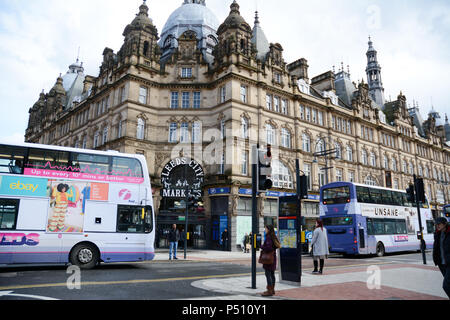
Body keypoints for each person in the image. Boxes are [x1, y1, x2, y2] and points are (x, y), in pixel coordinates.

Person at [260, 225, 281, 296]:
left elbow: (268, 247)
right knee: (272, 274)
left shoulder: (268, 237)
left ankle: (269, 290)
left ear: (268, 229)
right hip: (273, 257)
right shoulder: (273, 236)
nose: (265, 229)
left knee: (268, 274)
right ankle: (272, 290)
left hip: (268, 258)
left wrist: (261, 246)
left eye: (265, 228)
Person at [433, 217, 450, 299]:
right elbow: (437, 248)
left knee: (446, 285)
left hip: (449, 263)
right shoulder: (437, 234)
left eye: (439, 224)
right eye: (436, 224)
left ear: (445, 224)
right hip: (442, 263)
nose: (437, 226)